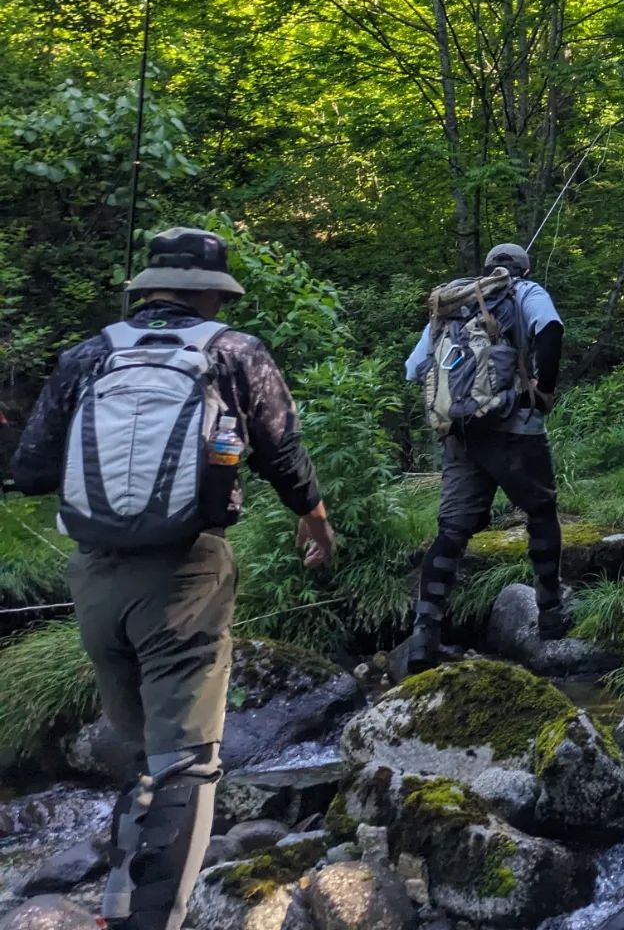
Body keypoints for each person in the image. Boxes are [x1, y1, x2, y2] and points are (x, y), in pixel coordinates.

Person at [9, 226, 333, 930]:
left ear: (150, 287)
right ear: (212, 294)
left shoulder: (88, 355)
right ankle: (153, 920)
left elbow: (31, 470)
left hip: (94, 581)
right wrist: (314, 517)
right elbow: (282, 450)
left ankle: (119, 905)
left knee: (139, 751)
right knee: (186, 764)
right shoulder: (233, 351)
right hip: (186, 574)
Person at [396, 240, 565, 675]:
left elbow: (413, 369)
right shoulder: (526, 292)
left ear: (488, 268)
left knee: (452, 531)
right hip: (515, 430)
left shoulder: (452, 302)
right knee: (541, 510)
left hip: (460, 434)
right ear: (522, 269)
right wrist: (544, 389)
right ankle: (550, 617)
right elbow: (551, 330)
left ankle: (423, 637)